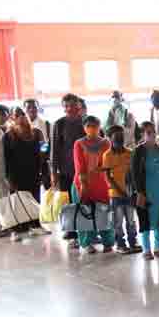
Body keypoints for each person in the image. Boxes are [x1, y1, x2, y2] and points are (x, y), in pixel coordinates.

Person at [2, 109, 50, 239]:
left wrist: (44, 154)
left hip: (34, 171)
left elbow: (44, 148)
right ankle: (16, 230)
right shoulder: (8, 135)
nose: (21, 117)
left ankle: (36, 226)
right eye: (18, 115)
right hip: (16, 174)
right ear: (13, 118)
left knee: (35, 199)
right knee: (17, 202)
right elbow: (6, 158)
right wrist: (8, 177)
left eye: (23, 114)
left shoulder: (36, 132)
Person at [73, 116, 114, 254]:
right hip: (82, 184)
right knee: (85, 213)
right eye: (88, 126)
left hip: (102, 184)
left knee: (104, 212)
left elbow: (108, 163)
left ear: (99, 126)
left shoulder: (106, 142)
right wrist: (84, 185)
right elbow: (80, 166)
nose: (92, 129)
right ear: (84, 128)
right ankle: (87, 243)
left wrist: (100, 170)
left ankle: (108, 242)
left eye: (95, 126)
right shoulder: (79, 144)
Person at [131, 121, 159, 259]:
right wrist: (140, 192)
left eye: (153, 131)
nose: (152, 134)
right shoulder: (138, 151)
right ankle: (146, 250)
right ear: (142, 135)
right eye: (148, 132)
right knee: (145, 219)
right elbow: (135, 174)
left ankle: (158, 247)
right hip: (145, 190)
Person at [51, 93, 87, 243]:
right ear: (63, 108)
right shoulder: (59, 124)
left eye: (73, 105)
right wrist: (53, 172)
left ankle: (87, 229)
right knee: (69, 202)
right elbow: (54, 149)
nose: (70, 108)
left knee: (85, 199)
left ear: (79, 106)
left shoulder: (87, 122)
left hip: (85, 170)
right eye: (66, 106)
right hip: (66, 170)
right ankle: (71, 230)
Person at [101, 124, 140, 253]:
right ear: (110, 139)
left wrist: (133, 191)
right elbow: (107, 176)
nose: (120, 139)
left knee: (131, 220)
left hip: (128, 193)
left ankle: (133, 242)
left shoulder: (130, 153)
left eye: (121, 136)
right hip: (116, 194)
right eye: (116, 137)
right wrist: (119, 190)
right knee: (118, 222)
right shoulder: (107, 155)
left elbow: (133, 174)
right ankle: (120, 245)